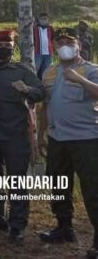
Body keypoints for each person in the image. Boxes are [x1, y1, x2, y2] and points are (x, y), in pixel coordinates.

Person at [0, 29, 43, 243]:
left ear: (13, 47)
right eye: (0, 45)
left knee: (16, 181)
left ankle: (18, 225)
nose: (4, 48)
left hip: (15, 133)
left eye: (8, 45)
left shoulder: (22, 70)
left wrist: (27, 89)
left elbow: (40, 93)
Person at [38, 28, 98, 259]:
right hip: (57, 139)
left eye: (69, 41)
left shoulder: (91, 70)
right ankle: (64, 228)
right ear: (53, 47)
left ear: (79, 45)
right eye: (60, 41)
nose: (64, 45)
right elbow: (46, 106)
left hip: (88, 140)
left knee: (92, 190)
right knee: (59, 185)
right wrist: (41, 134)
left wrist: (80, 79)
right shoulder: (50, 73)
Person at [33, 13, 54, 79]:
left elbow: (53, 39)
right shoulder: (35, 28)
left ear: (48, 20)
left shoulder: (50, 28)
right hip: (38, 53)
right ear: (38, 20)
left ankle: (44, 85)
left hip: (49, 53)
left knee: (47, 71)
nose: (43, 21)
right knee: (35, 69)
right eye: (41, 19)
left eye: (45, 19)